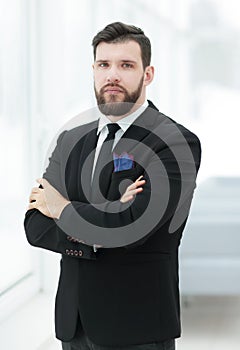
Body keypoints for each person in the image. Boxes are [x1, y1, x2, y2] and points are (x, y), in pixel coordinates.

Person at [24, 22, 201, 350]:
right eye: (104, 64)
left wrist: (61, 208)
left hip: (137, 325)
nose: (112, 75)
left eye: (126, 65)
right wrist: (106, 217)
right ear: (93, 70)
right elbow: (34, 225)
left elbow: (134, 227)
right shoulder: (71, 140)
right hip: (74, 323)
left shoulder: (174, 142)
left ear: (147, 74)